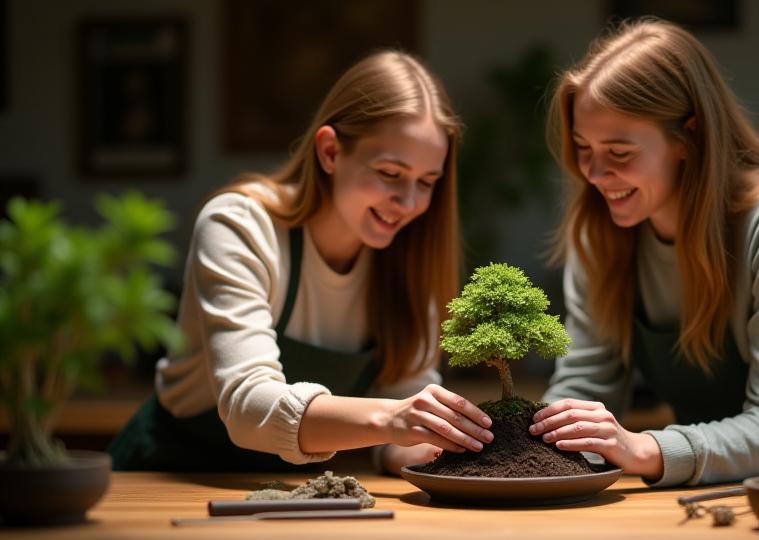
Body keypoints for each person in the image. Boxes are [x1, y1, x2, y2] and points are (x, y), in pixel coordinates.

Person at [533, 18, 759, 487]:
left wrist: (643, 446)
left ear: (689, 137)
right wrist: (534, 443)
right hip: (716, 475)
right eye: (582, 148)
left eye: (619, 153)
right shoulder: (598, 236)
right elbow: (585, 384)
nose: (595, 175)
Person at [109, 51, 494, 474]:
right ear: (330, 151)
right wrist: (391, 418)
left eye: (427, 183)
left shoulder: (408, 257)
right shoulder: (239, 226)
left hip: (301, 486)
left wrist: (444, 444)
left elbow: (401, 421)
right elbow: (248, 406)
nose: (409, 203)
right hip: (171, 476)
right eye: (389, 173)